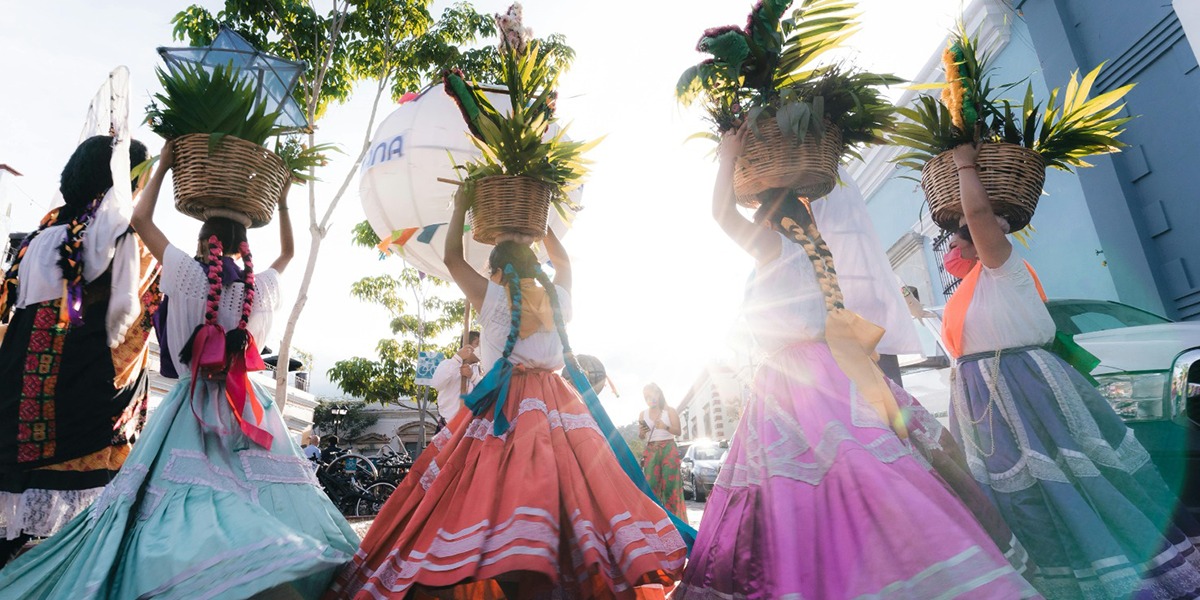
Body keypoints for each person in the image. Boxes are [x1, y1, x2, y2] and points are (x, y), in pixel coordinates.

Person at [675, 126, 1039, 599]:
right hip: (819, 370)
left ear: (767, 219)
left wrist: (727, 157)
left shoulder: (774, 248)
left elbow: (721, 213)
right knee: (858, 473)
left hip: (794, 379)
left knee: (823, 482)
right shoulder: (805, 254)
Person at [0, 142, 359, 598]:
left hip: (192, 405)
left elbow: (142, 220)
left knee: (181, 497)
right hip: (250, 408)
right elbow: (289, 251)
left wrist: (165, 163)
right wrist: (285, 199)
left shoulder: (187, 274)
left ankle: (199, 568)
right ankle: (261, 560)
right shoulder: (263, 286)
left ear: (201, 240)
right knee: (255, 491)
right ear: (244, 247)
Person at [325, 188, 689, 599]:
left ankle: (502, 566)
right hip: (558, 405)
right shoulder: (559, 298)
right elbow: (565, 261)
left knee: (482, 495)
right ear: (536, 265)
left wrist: (460, 205)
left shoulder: (492, 296)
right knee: (571, 494)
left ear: (496, 271)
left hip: (502, 407)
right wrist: (540, 219)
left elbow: (451, 261)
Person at [942, 141, 1200, 599]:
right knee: (1023, 497)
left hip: (1025, 391)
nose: (953, 246)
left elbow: (979, 219)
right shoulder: (970, 291)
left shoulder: (1004, 268)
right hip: (986, 401)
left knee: (1072, 485)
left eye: (960, 235)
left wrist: (964, 164)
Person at [0, 136, 158, 566]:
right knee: (70, 532)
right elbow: (129, 311)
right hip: (73, 374)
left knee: (16, 500)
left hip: (19, 370)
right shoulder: (117, 236)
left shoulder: (42, 234)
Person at [638, 383, 686, 519]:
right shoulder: (643, 414)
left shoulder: (670, 411)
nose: (649, 399)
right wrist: (641, 432)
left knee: (671, 487)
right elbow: (641, 437)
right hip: (651, 450)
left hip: (668, 449)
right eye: (646, 396)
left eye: (651, 395)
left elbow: (678, 431)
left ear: (658, 394)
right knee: (651, 485)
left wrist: (665, 427)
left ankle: (675, 521)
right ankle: (656, 520)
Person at [428, 330, 481, 425]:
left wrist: (472, 376)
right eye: (478, 344)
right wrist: (457, 359)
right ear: (467, 346)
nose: (482, 348)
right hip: (449, 424)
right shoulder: (448, 364)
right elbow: (437, 384)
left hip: (471, 426)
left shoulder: (480, 372)